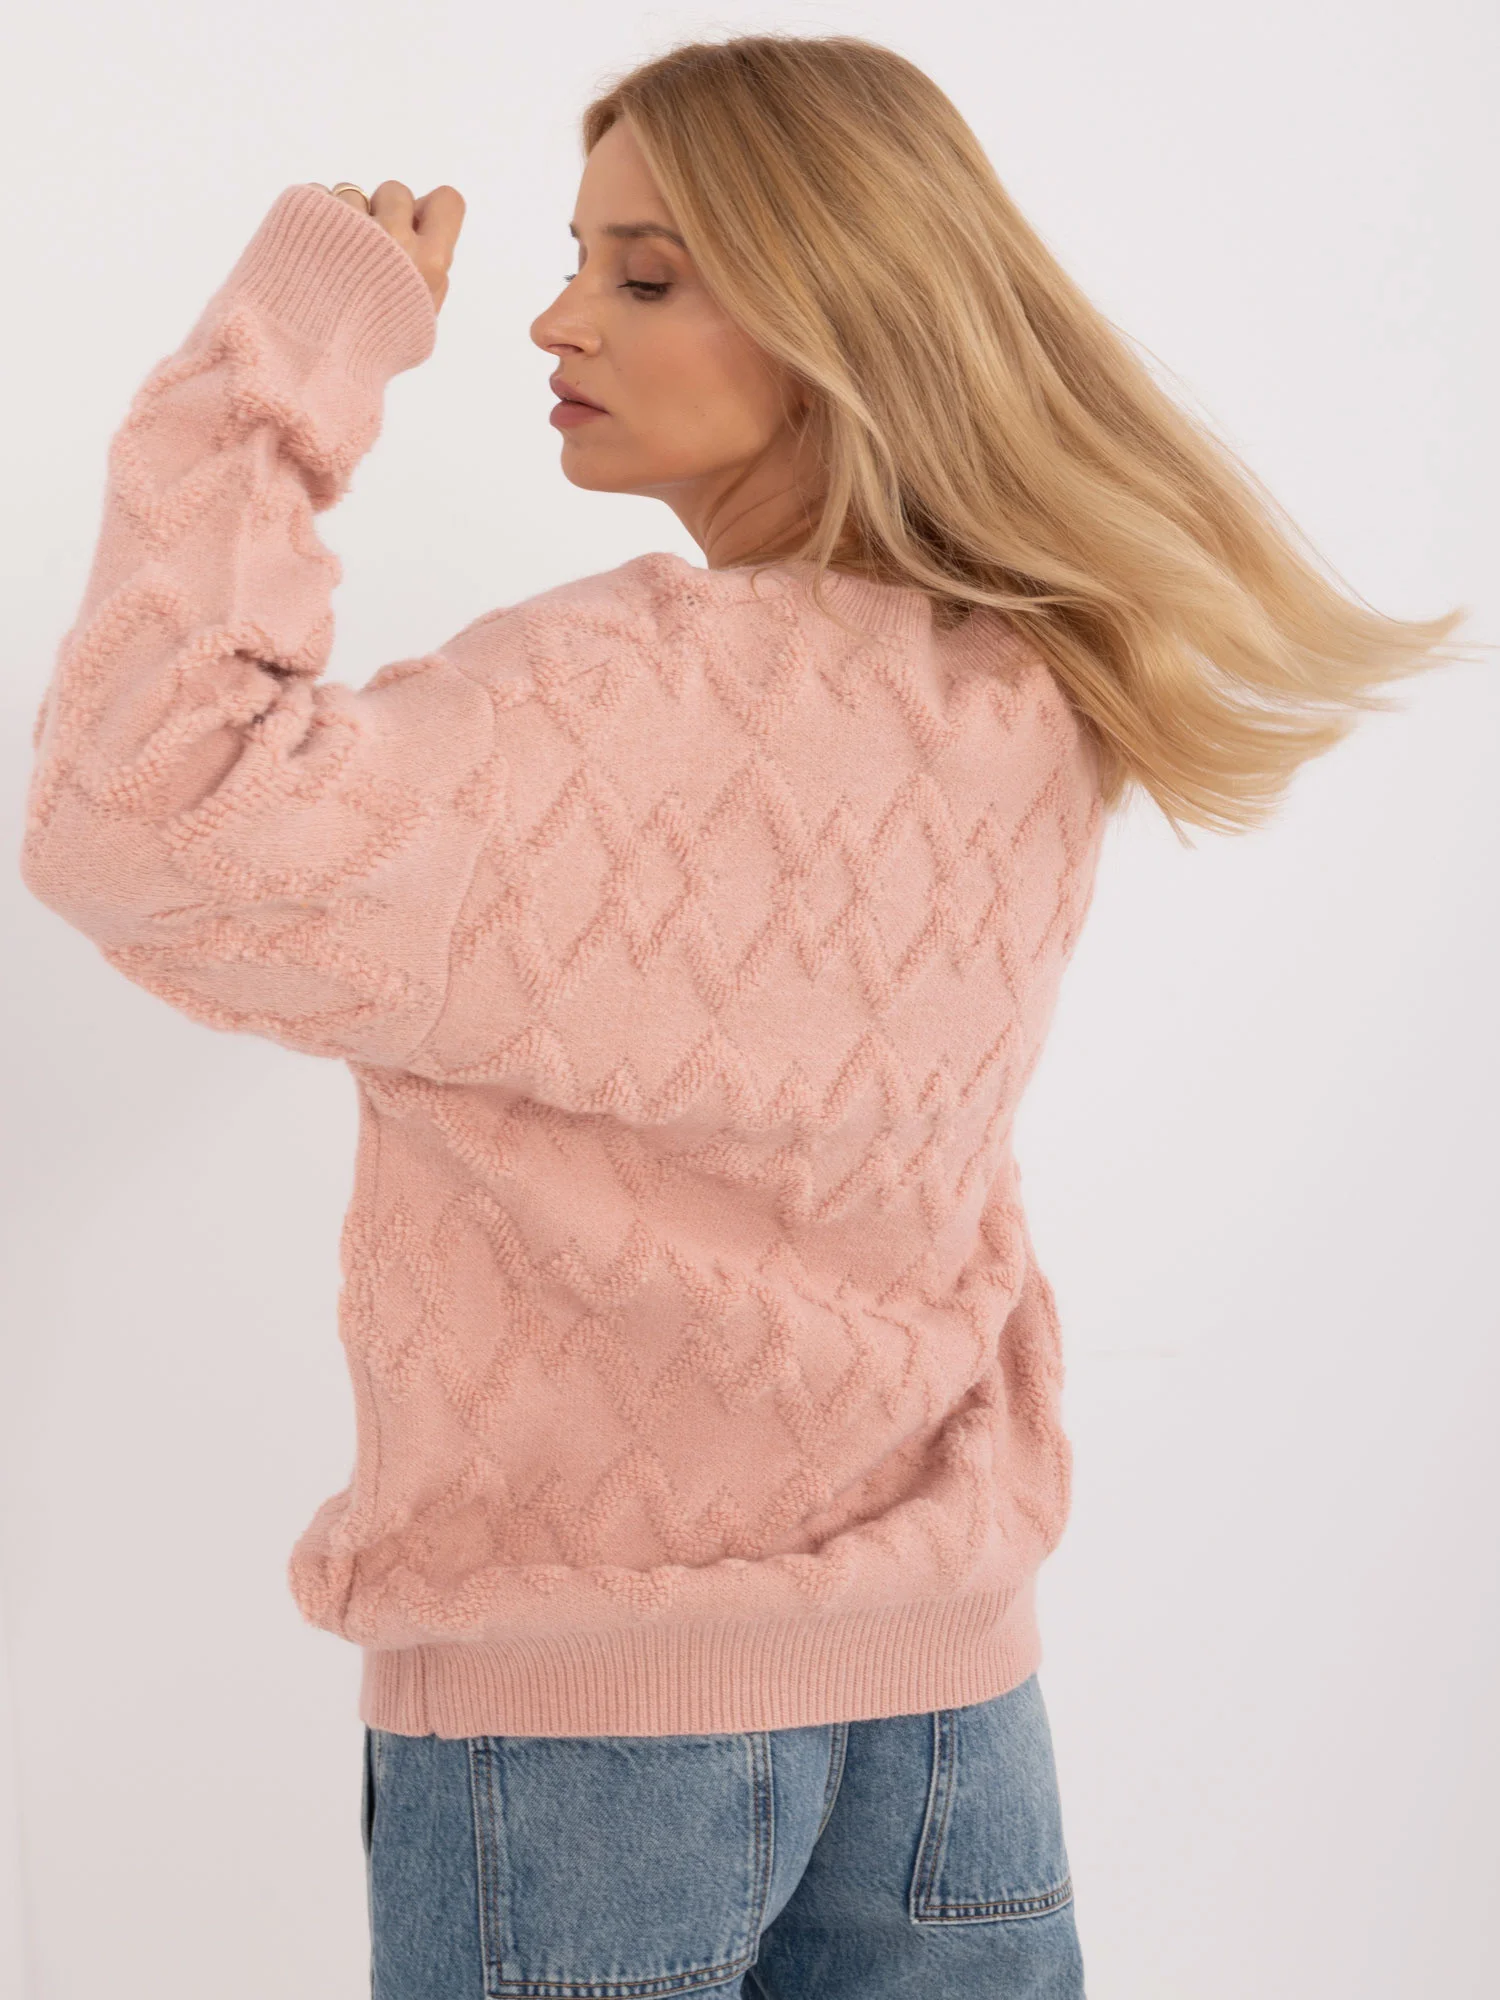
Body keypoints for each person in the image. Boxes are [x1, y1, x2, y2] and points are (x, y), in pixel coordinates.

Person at [17, 31, 1479, 2000]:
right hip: (955, 1719)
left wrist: (291, 355)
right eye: (579, 260)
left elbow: (138, 811)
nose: (555, 317)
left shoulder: (606, 707)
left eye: (645, 274)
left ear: (836, 314)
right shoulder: (1032, 695)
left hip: (586, 1733)